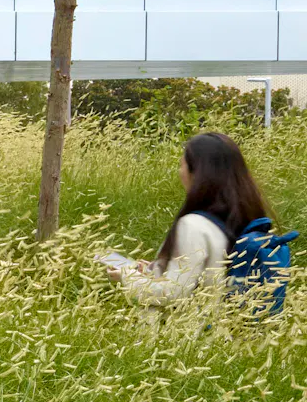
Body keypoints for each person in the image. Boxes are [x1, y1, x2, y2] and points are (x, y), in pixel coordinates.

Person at [102, 131, 280, 310]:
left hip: (183, 334)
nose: (180, 172)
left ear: (198, 172)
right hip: (220, 331)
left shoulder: (193, 225)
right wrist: (157, 270)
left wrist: (127, 276)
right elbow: (206, 276)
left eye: (182, 164)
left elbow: (173, 293)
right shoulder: (240, 218)